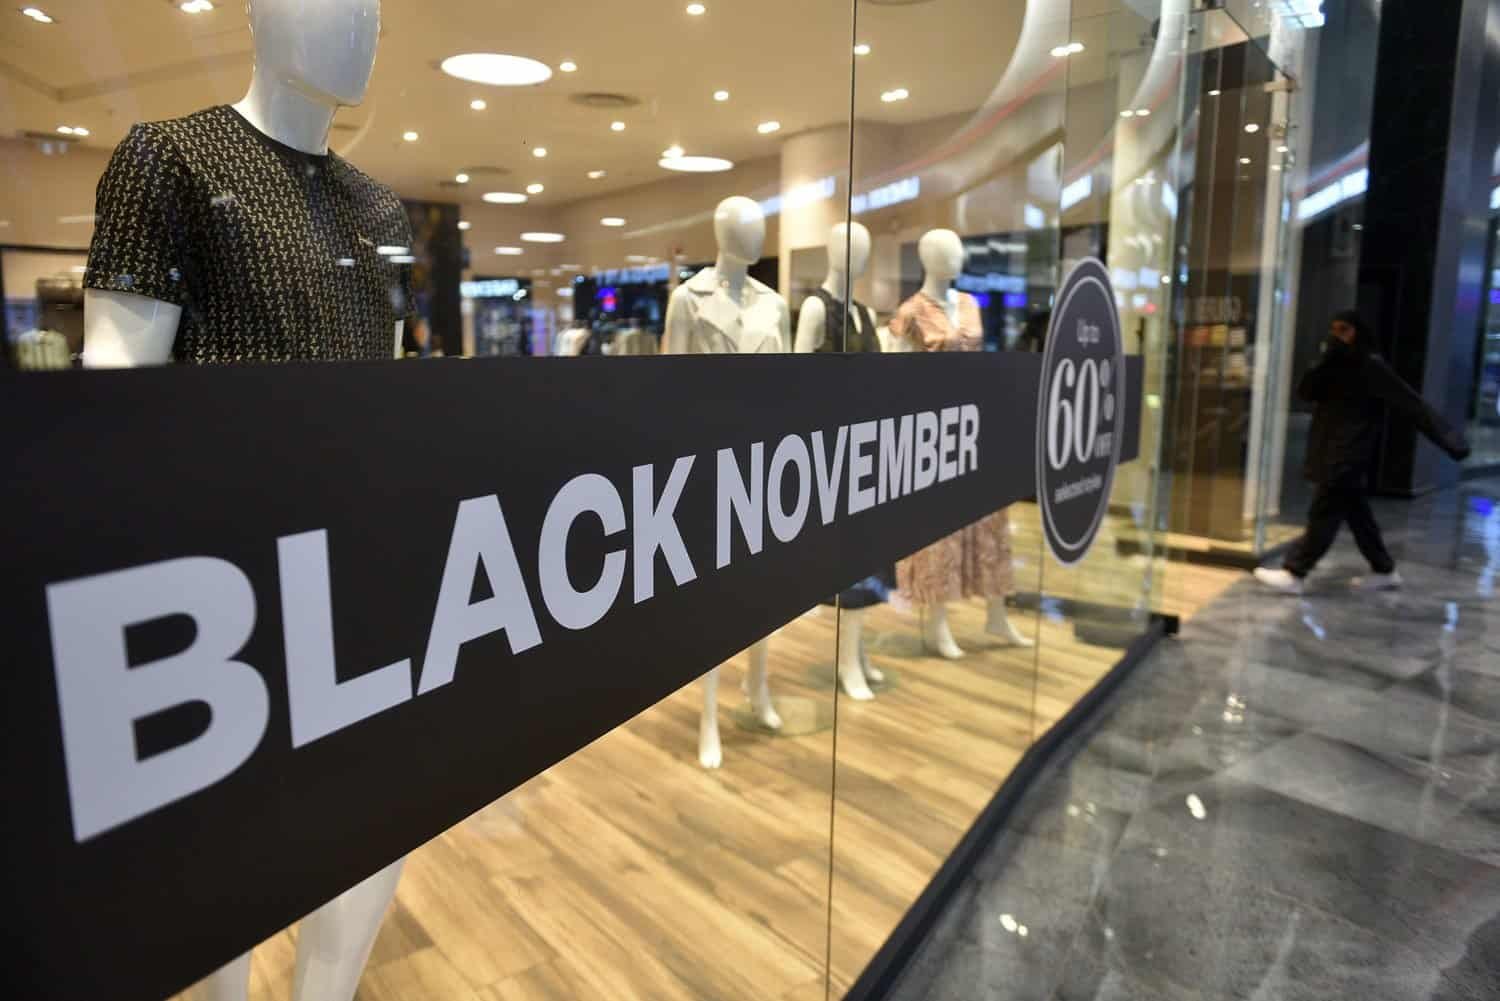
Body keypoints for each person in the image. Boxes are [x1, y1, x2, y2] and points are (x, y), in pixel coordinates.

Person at [1255, 310, 1470, 595]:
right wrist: (1325, 360)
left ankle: (1295, 572)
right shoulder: (1335, 365)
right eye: (1334, 330)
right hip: (1330, 447)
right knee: (1358, 515)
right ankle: (1384, 570)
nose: (1338, 336)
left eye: (1344, 330)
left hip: (1349, 453)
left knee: (1325, 511)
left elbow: (1412, 404)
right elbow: (1306, 392)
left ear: (1358, 332)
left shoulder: (1371, 365)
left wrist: (1453, 442)